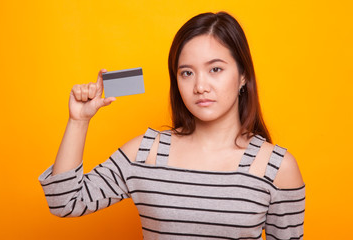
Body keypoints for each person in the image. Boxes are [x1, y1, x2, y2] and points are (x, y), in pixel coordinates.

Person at [39, 11, 305, 240]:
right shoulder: (146, 152)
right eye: (186, 73)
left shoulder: (278, 167)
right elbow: (64, 201)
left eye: (215, 69)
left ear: (243, 75)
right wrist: (78, 120)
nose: (200, 86)